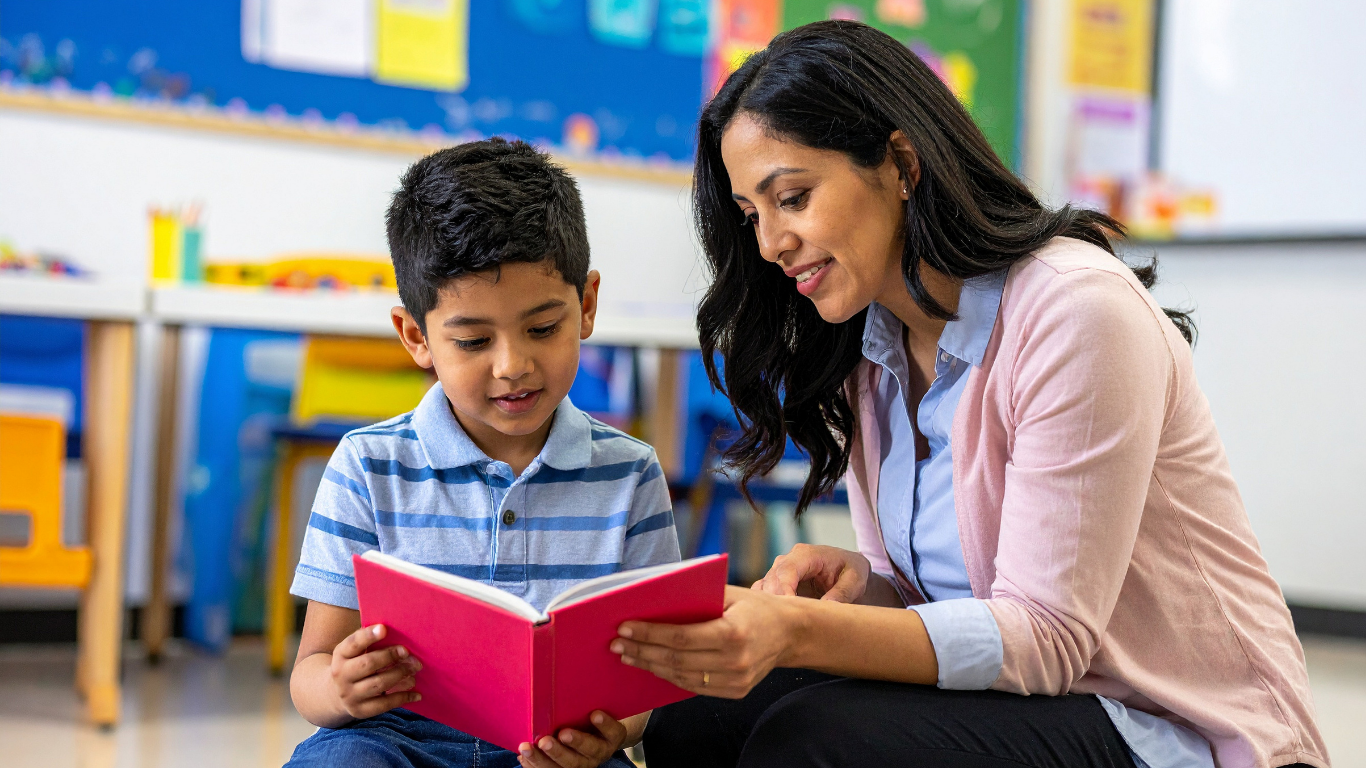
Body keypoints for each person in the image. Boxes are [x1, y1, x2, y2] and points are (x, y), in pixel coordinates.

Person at [613, 21, 1328, 768]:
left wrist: (793, 630)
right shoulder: (870, 344)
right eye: (752, 215)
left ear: (900, 163)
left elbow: (1045, 639)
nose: (768, 245)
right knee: (697, 718)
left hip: (1167, 725)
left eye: (792, 197)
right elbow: (949, 607)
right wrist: (866, 586)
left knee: (815, 740)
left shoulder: (1076, 310)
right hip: (1027, 702)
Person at [284, 138, 681, 768]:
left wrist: (613, 730)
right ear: (416, 337)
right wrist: (340, 687)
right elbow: (310, 672)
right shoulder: (368, 466)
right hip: (399, 739)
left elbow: (646, 683)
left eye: (543, 329)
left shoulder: (629, 474)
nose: (512, 366)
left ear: (587, 306)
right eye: (472, 341)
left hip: (553, 749)